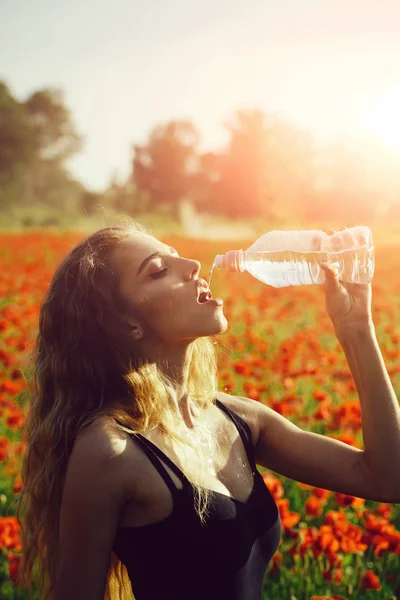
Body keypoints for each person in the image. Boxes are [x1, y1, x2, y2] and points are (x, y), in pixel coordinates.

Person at [16, 220, 400, 600]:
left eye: (177, 256)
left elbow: (387, 478)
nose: (193, 266)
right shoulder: (111, 450)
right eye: (159, 270)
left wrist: (356, 327)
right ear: (127, 323)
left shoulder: (241, 419)